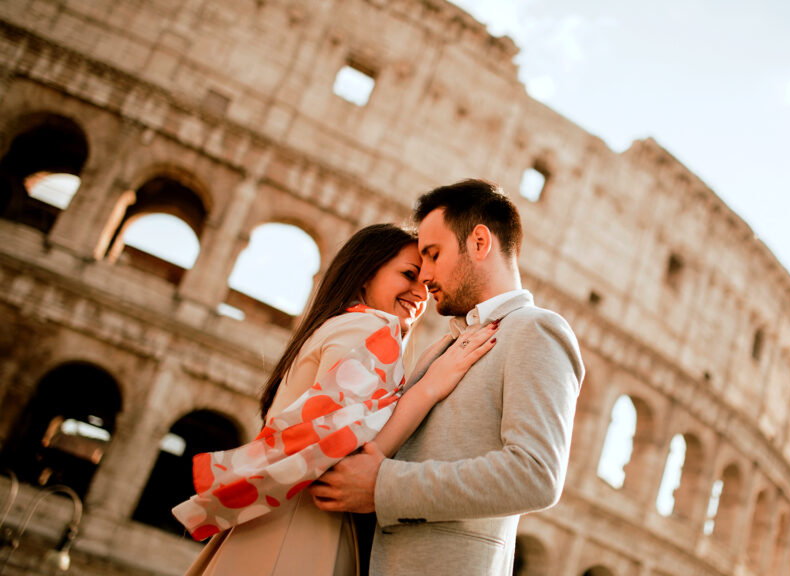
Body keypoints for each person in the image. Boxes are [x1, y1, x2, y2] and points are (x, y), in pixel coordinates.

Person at [174, 223, 498, 576]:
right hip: (302, 533)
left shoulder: (337, 326)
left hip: (273, 525)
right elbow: (342, 454)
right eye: (408, 274)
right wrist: (430, 387)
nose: (420, 292)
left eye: (425, 282)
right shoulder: (371, 328)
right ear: (364, 275)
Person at [309, 179, 586, 575]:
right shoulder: (438, 349)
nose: (424, 275)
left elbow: (536, 473)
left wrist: (384, 486)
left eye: (433, 254)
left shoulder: (536, 331)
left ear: (478, 242)